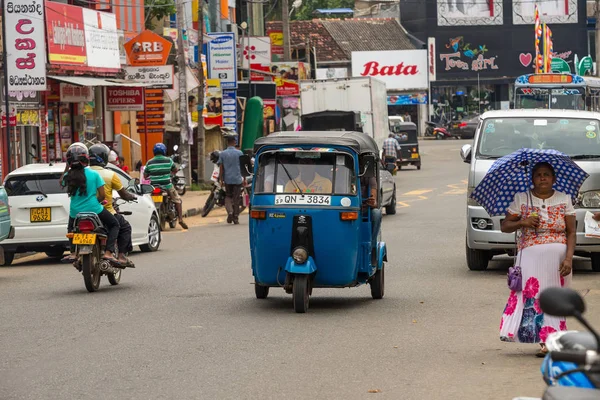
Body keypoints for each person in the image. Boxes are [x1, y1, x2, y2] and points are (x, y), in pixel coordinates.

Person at [499, 162, 575, 357]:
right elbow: (505, 226)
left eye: (547, 174)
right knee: (535, 297)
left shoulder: (564, 199)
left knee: (554, 297)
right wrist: (523, 222)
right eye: (539, 174)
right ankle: (543, 340)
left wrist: (568, 259)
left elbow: (572, 232)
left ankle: (554, 338)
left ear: (554, 179)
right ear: (532, 179)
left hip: (558, 260)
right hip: (530, 256)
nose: (543, 178)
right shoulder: (521, 199)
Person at [61, 143, 122, 266]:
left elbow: (62, 181)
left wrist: (67, 167)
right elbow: (102, 196)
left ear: (69, 161)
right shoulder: (94, 175)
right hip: (95, 210)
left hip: (75, 212)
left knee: (71, 229)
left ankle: (73, 252)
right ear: (86, 159)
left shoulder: (68, 176)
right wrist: (97, 202)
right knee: (115, 224)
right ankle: (108, 252)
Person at [89, 144, 136, 266]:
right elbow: (124, 194)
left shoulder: (83, 173)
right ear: (104, 158)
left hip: (84, 211)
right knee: (124, 227)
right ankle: (121, 256)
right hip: (105, 211)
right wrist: (131, 196)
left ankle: (75, 253)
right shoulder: (110, 175)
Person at [144, 143, 188, 229]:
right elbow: (174, 170)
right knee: (177, 200)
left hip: (154, 187)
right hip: (167, 186)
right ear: (164, 151)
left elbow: (145, 176)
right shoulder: (169, 161)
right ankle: (180, 220)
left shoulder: (149, 162)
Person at [217, 136, 244, 224]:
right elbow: (243, 166)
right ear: (233, 142)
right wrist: (244, 178)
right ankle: (235, 217)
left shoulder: (222, 154)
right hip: (237, 179)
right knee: (236, 198)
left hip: (228, 179)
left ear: (227, 142)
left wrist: (221, 179)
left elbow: (221, 168)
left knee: (228, 196)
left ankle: (230, 212)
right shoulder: (239, 153)